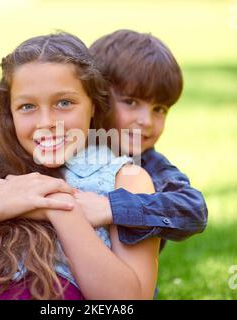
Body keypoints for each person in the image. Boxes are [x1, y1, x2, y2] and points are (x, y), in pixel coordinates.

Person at [0, 32, 159, 300]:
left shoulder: (125, 180)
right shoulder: (1, 177)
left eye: (64, 103)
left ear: (94, 105)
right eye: (27, 106)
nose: (46, 121)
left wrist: (59, 208)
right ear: (10, 114)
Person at [72, 29, 207, 250]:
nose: (147, 120)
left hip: (124, 277)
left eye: (159, 109)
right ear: (97, 97)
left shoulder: (149, 164)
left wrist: (112, 208)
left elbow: (194, 211)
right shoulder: (70, 147)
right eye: (131, 102)